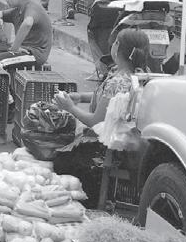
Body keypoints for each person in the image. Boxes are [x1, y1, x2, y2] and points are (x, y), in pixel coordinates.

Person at [50, 28, 151, 203]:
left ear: (117, 48)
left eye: (115, 42)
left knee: (59, 158)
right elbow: (107, 99)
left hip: (108, 145)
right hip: (128, 137)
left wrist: (70, 107)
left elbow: (96, 121)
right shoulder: (137, 74)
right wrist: (81, 97)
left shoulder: (118, 81)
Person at [0, 0, 53, 68]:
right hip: (23, 50)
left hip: (34, 54)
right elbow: (0, 13)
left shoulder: (32, 8)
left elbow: (27, 23)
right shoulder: (18, 10)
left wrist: (15, 48)